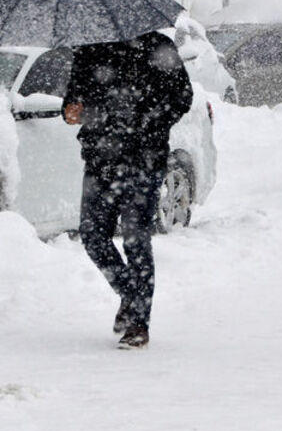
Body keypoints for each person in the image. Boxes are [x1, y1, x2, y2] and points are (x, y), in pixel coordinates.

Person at [62, 31, 193, 349]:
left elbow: (182, 98)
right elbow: (74, 98)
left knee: (136, 240)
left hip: (143, 160)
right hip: (99, 160)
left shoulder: (157, 47)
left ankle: (138, 324)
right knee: (93, 236)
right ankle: (132, 295)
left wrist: (144, 123)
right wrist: (71, 109)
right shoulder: (88, 49)